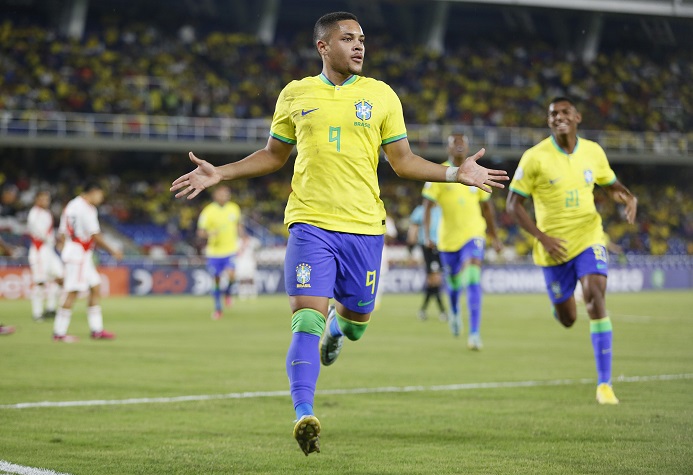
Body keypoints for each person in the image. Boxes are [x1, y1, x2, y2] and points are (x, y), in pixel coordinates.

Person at [171, 11, 508, 456]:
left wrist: (453, 173)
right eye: (348, 38)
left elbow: (403, 162)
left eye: (362, 39)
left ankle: (339, 331)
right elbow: (274, 156)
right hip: (310, 224)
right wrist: (223, 173)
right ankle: (303, 413)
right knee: (305, 318)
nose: (359, 46)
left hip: (365, 229)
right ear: (323, 47)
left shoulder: (382, 96)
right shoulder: (295, 94)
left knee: (354, 327)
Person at [506, 97, 637, 405]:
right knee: (568, 318)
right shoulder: (535, 157)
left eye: (565, 112)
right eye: (553, 114)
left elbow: (612, 185)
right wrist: (542, 237)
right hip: (553, 249)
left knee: (595, 294)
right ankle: (560, 305)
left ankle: (604, 385)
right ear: (548, 120)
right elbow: (513, 205)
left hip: (590, 235)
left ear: (577, 117)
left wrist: (629, 197)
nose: (559, 117)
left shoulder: (594, 152)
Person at [422, 133, 503, 350]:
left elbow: (487, 207)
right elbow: (427, 206)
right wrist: (427, 235)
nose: (458, 145)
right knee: (455, 284)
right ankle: (455, 311)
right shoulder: (439, 173)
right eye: (454, 142)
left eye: (462, 142)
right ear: (448, 148)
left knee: (473, 276)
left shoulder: (477, 172)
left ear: (467, 147)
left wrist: (494, 237)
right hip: (448, 240)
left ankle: (475, 333)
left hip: (474, 234)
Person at [53, 182, 123, 342]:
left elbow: (62, 233)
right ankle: (59, 333)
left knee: (95, 287)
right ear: (93, 192)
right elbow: (95, 235)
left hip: (76, 252)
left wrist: (65, 251)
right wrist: (113, 250)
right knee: (72, 291)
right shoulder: (87, 209)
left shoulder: (71, 205)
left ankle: (96, 330)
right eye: (100, 194)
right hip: (79, 254)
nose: (101, 198)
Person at [197, 185, 242, 319]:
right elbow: (200, 232)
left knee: (232, 275)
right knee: (216, 280)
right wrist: (210, 233)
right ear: (215, 195)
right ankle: (218, 308)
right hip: (214, 252)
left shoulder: (234, 208)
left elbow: (238, 225)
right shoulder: (208, 211)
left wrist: (243, 238)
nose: (225, 196)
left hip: (230, 249)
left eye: (227, 194)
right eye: (222, 194)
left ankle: (227, 293)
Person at [27, 190, 64, 321]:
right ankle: (37, 313)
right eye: (42, 199)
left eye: (47, 199)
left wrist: (55, 240)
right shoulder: (34, 213)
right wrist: (50, 239)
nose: (45, 201)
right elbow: (36, 231)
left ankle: (50, 308)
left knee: (61, 277)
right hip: (39, 250)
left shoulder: (47, 213)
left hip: (49, 251)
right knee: (40, 282)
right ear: (36, 200)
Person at [407, 203, 446, 322]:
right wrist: (411, 247)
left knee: (432, 281)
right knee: (435, 279)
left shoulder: (442, 209)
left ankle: (424, 311)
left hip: (441, 247)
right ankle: (442, 311)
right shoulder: (421, 209)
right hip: (428, 247)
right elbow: (413, 228)